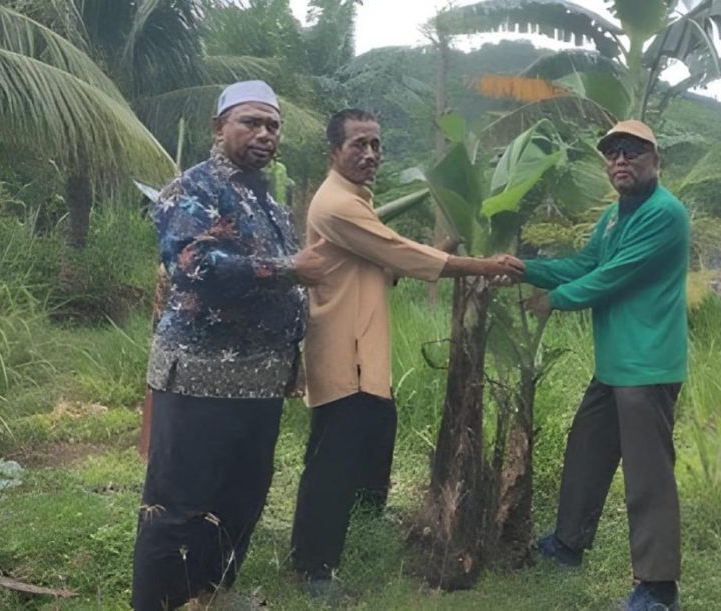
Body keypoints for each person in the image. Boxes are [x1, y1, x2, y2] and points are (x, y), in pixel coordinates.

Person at [290, 108, 525, 593]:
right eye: (359, 144)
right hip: (344, 351)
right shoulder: (337, 204)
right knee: (332, 462)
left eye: (376, 144)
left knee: (372, 443)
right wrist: (482, 265)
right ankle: (315, 567)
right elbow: (401, 254)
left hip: (363, 351)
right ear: (334, 151)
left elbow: (380, 263)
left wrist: (433, 251)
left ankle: (358, 537)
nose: (371, 154)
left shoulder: (357, 200)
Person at [131, 80, 328, 610]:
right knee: (177, 507)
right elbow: (192, 266)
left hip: (258, 382)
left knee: (239, 501)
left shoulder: (265, 197)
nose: (265, 134)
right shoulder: (191, 189)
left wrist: (291, 360)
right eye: (251, 122)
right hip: (198, 380)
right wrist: (291, 267)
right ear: (219, 127)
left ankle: (209, 597)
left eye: (273, 125)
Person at [522, 120, 689, 611]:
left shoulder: (665, 214)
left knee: (648, 475)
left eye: (633, 151)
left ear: (655, 159)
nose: (620, 160)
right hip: (616, 363)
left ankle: (658, 588)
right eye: (613, 152)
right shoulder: (614, 217)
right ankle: (568, 544)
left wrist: (553, 299)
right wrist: (521, 268)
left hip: (649, 365)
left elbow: (612, 277)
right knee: (587, 449)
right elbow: (585, 263)